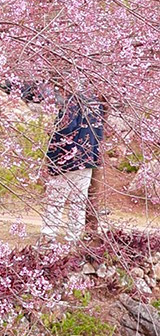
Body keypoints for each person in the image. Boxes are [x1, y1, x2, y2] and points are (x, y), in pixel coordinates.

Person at [42, 92, 105, 244]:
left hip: (66, 159)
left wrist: (52, 153)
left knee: (56, 199)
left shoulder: (72, 101)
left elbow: (66, 129)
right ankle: (73, 237)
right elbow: (99, 132)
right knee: (79, 200)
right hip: (88, 157)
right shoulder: (96, 103)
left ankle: (48, 236)